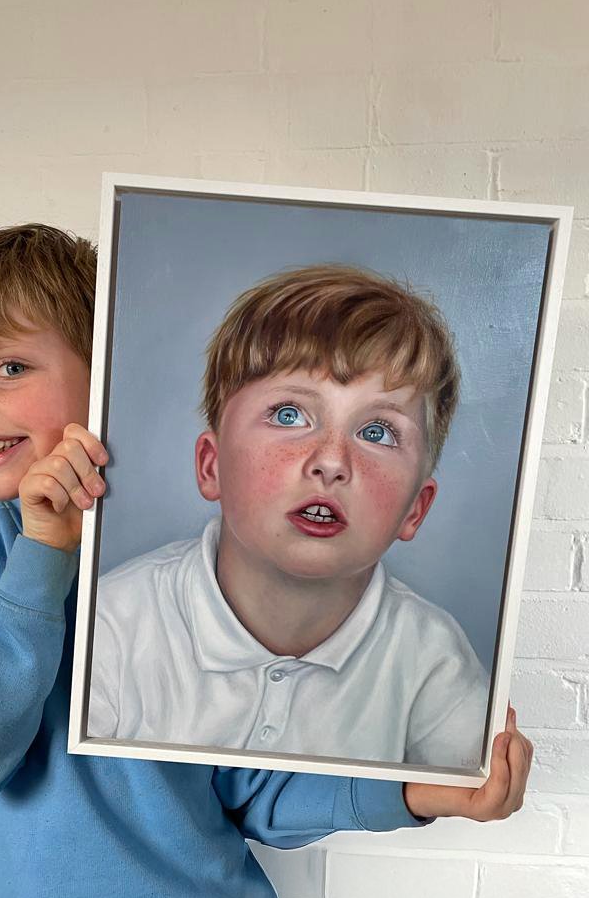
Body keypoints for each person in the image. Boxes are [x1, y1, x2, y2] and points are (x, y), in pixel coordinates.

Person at [0, 223, 532, 898]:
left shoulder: (205, 574)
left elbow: (255, 786)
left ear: (107, 377)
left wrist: (414, 792)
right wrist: (40, 553)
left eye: (8, 367)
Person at [88, 265, 487, 767]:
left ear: (415, 509)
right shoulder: (114, 624)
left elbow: (454, 797)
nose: (332, 461)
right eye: (289, 415)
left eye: (378, 432)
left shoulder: (436, 661)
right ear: (213, 466)